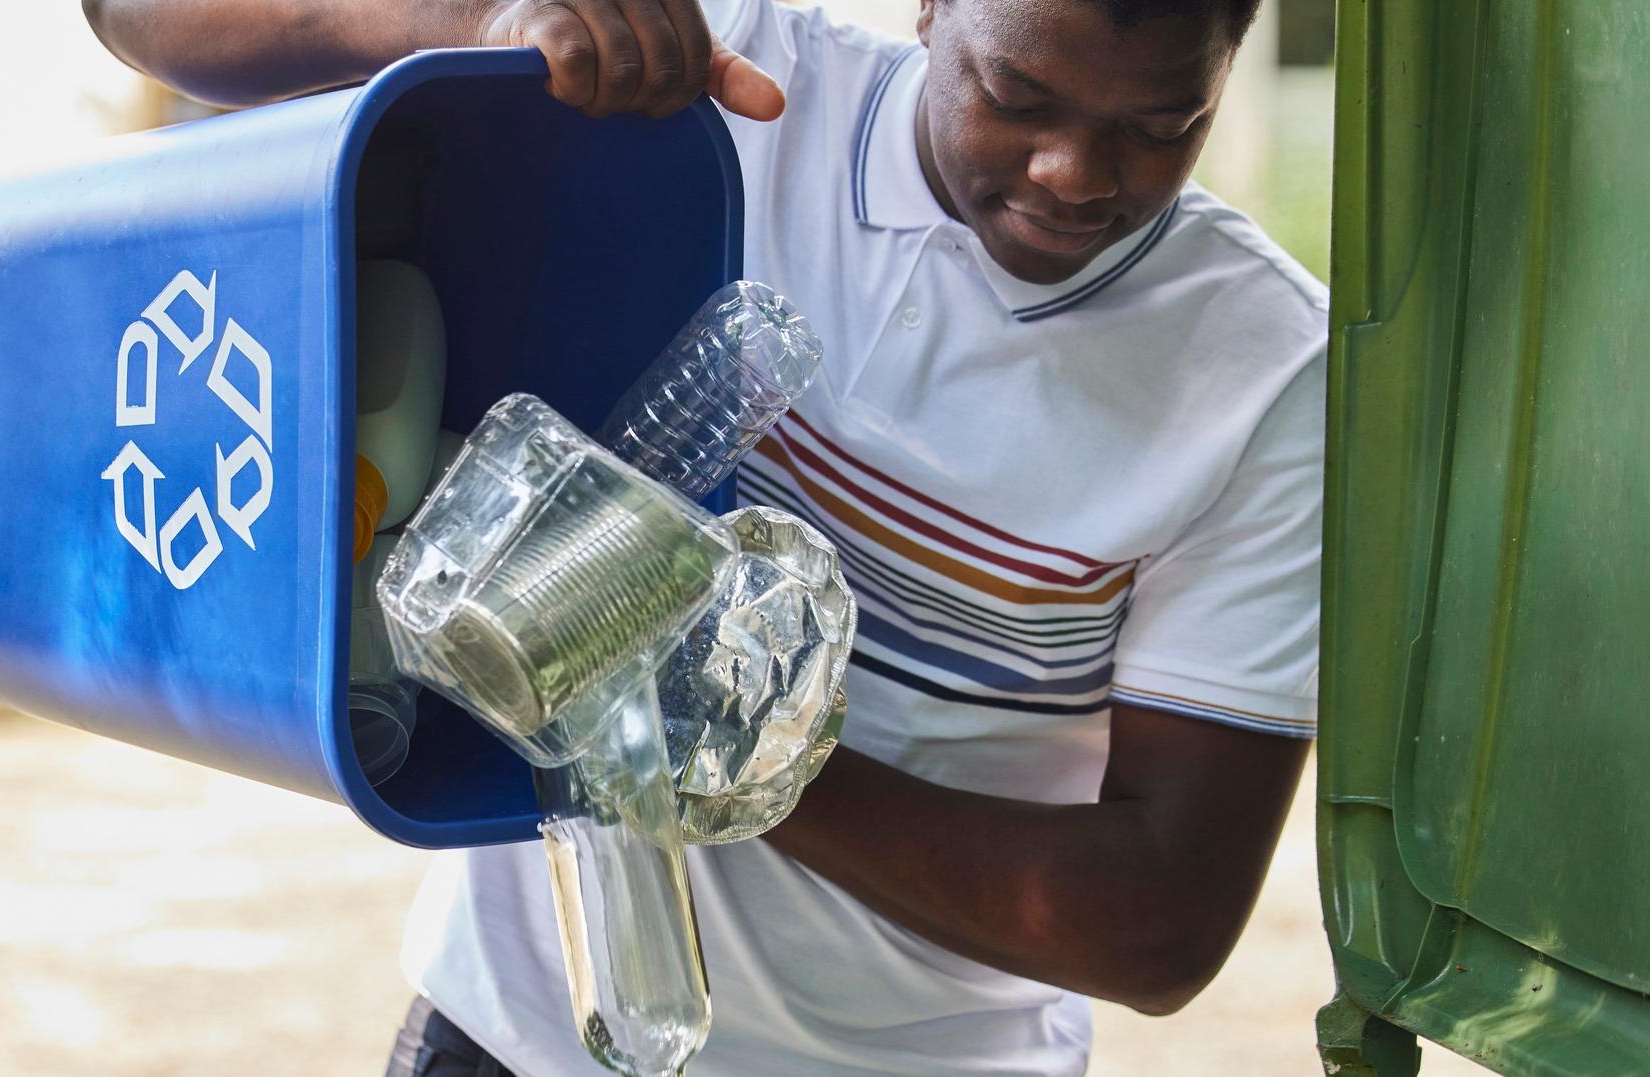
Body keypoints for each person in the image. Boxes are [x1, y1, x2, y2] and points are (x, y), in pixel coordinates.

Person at [84, 0, 1325, 1072]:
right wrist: (485, 30)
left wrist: (733, 753)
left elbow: (1160, 922)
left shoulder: (1263, 374)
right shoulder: (727, 76)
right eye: (1018, 94)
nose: (1074, 171)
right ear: (935, 6)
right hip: (517, 1038)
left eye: (1161, 126)